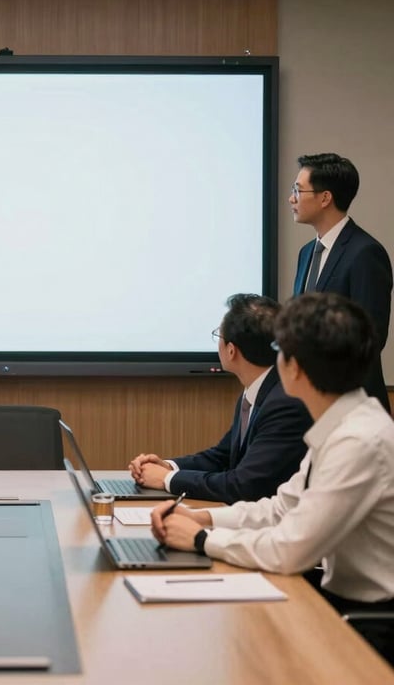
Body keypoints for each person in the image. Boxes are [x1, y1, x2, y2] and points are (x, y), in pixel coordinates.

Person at [150, 293, 394, 661]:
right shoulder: (343, 421)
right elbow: (282, 508)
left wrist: (201, 539)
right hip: (339, 601)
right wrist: (203, 516)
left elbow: (289, 550)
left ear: (293, 367)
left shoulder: (358, 441)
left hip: (370, 625)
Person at [128, 294, 311, 504]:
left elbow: (244, 485)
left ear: (231, 350)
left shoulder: (285, 403)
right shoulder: (259, 390)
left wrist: (167, 479)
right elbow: (222, 456)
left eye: (219, 336)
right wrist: (169, 466)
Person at [290, 152, 392, 413]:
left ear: (325, 198)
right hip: (311, 403)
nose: (291, 199)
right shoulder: (306, 253)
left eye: (298, 191)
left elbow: (371, 337)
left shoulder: (365, 253)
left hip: (353, 406)